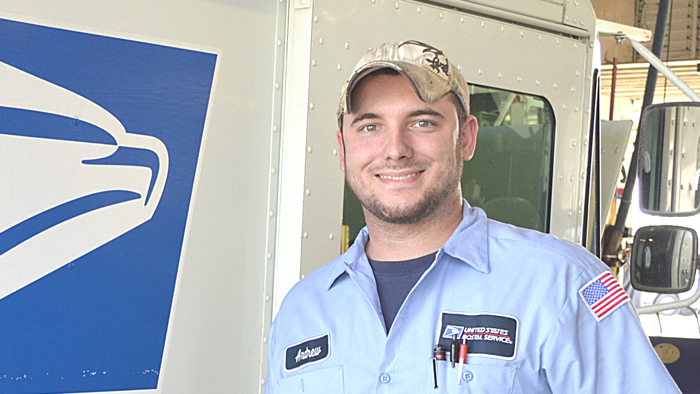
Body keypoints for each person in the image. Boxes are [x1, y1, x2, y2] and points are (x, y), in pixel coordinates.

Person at [265, 40, 680, 393]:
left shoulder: (566, 284)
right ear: (342, 147)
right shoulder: (303, 310)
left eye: (422, 122)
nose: (395, 149)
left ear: (465, 138)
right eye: (370, 127)